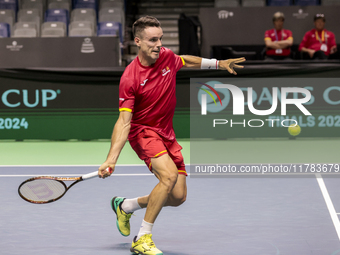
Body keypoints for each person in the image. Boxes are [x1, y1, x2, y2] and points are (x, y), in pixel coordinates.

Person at [98, 16, 245, 255]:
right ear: (137, 41)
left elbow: (185, 60)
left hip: (166, 133)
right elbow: (124, 122)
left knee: (177, 197)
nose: (159, 44)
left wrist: (218, 64)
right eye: (152, 40)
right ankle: (143, 237)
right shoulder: (130, 77)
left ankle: (125, 205)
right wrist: (111, 158)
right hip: (143, 132)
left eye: (161, 39)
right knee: (167, 178)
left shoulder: (165, 56)